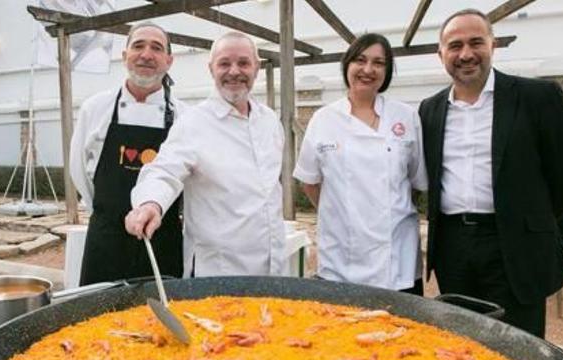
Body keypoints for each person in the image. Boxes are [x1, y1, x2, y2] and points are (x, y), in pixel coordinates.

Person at [419, 9, 563, 338]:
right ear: (441, 55)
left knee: (518, 343)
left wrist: (528, 218)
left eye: (475, 42)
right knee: (461, 341)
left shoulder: (539, 98)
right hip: (453, 246)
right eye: (455, 46)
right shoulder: (430, 109)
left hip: (515, 243)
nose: (466, 54)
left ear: (492, 45)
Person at [125, 32, 285, 277]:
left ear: (257, 68)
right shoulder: (194, 122)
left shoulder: (270, 120)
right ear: (211, 69)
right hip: (218, 270)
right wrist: (150, 203)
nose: (234, 71)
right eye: (224, 63)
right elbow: (164, 170)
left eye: (243, 63)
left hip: (271, 264)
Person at [294, 33, 427, 294]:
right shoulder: (324, 119)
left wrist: (386, 208)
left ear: (386, 72)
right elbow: (309, 182)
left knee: (407, 333)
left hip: (396, 261)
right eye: (360, 60)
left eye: (378, 63)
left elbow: (415, 182)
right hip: (341, 260)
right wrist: (344, 214)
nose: (368, 69)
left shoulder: (406, 116)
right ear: (347, 65)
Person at [70, 21, 186, 285]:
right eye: (138, 46)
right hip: (106, 239)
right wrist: (106, 211)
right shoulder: (94, 108)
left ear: (169, 60)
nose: (146, 54)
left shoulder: (184, 116)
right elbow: (79, 171)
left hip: (162, 241)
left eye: (156, 48)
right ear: (124, 56)